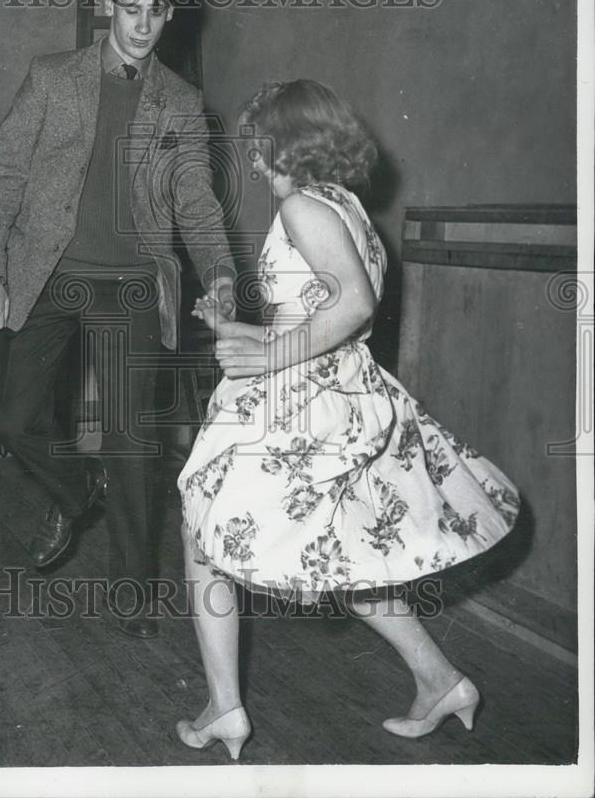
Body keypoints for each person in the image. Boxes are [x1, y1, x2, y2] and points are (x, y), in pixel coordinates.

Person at [176, 80, 520, 758]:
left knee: (201, 531)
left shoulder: (304, 207)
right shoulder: (346, 206)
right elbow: (319, 319)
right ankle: (438, 679)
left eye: (256, 146)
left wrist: (266, 353)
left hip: (303, 404)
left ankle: (224, 707)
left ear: (285, 144)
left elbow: (352, 306)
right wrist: (237, 329)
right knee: (342, 555)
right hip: (337, 392)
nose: (251, 162)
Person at [0, 0, 235, 639]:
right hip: (51, 276)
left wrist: (223, 279)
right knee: (13, 421)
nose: (141, 25)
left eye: (155, 12)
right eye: (129, 8)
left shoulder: (180, 101)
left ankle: (132, 596)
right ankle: (74, 490)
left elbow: (196, 204)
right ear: (106, 6)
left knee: (129, 440)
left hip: (132, 289)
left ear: (169, 15)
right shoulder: (53, 77)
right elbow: (0, 175)